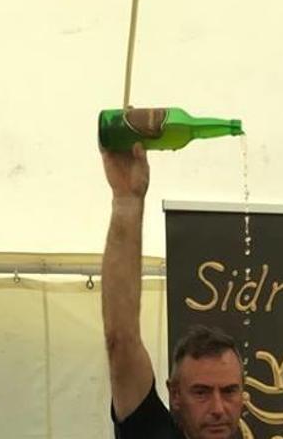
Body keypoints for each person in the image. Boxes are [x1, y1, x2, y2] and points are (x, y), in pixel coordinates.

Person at [101, 143, 245, 439]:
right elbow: (121, 340)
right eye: (201, 392)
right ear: (175, 395)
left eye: (229, 391)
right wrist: (127, 200)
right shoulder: (154, 433)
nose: (218, 408)